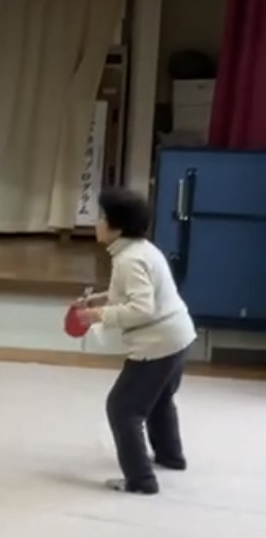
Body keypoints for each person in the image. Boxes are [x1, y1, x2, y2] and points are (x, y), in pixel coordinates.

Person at [75, 187, 197, 495]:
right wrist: (100, 299)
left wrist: (100, 315)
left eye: (102, 217)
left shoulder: (129, 259)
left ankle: (141, 480)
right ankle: (170, 456)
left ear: (117, 226)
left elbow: (143, 308)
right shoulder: (142, 250)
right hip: (179, 336)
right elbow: (135, 292)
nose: (97, 222)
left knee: (123, 408)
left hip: (159, 343)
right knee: (159, 399)